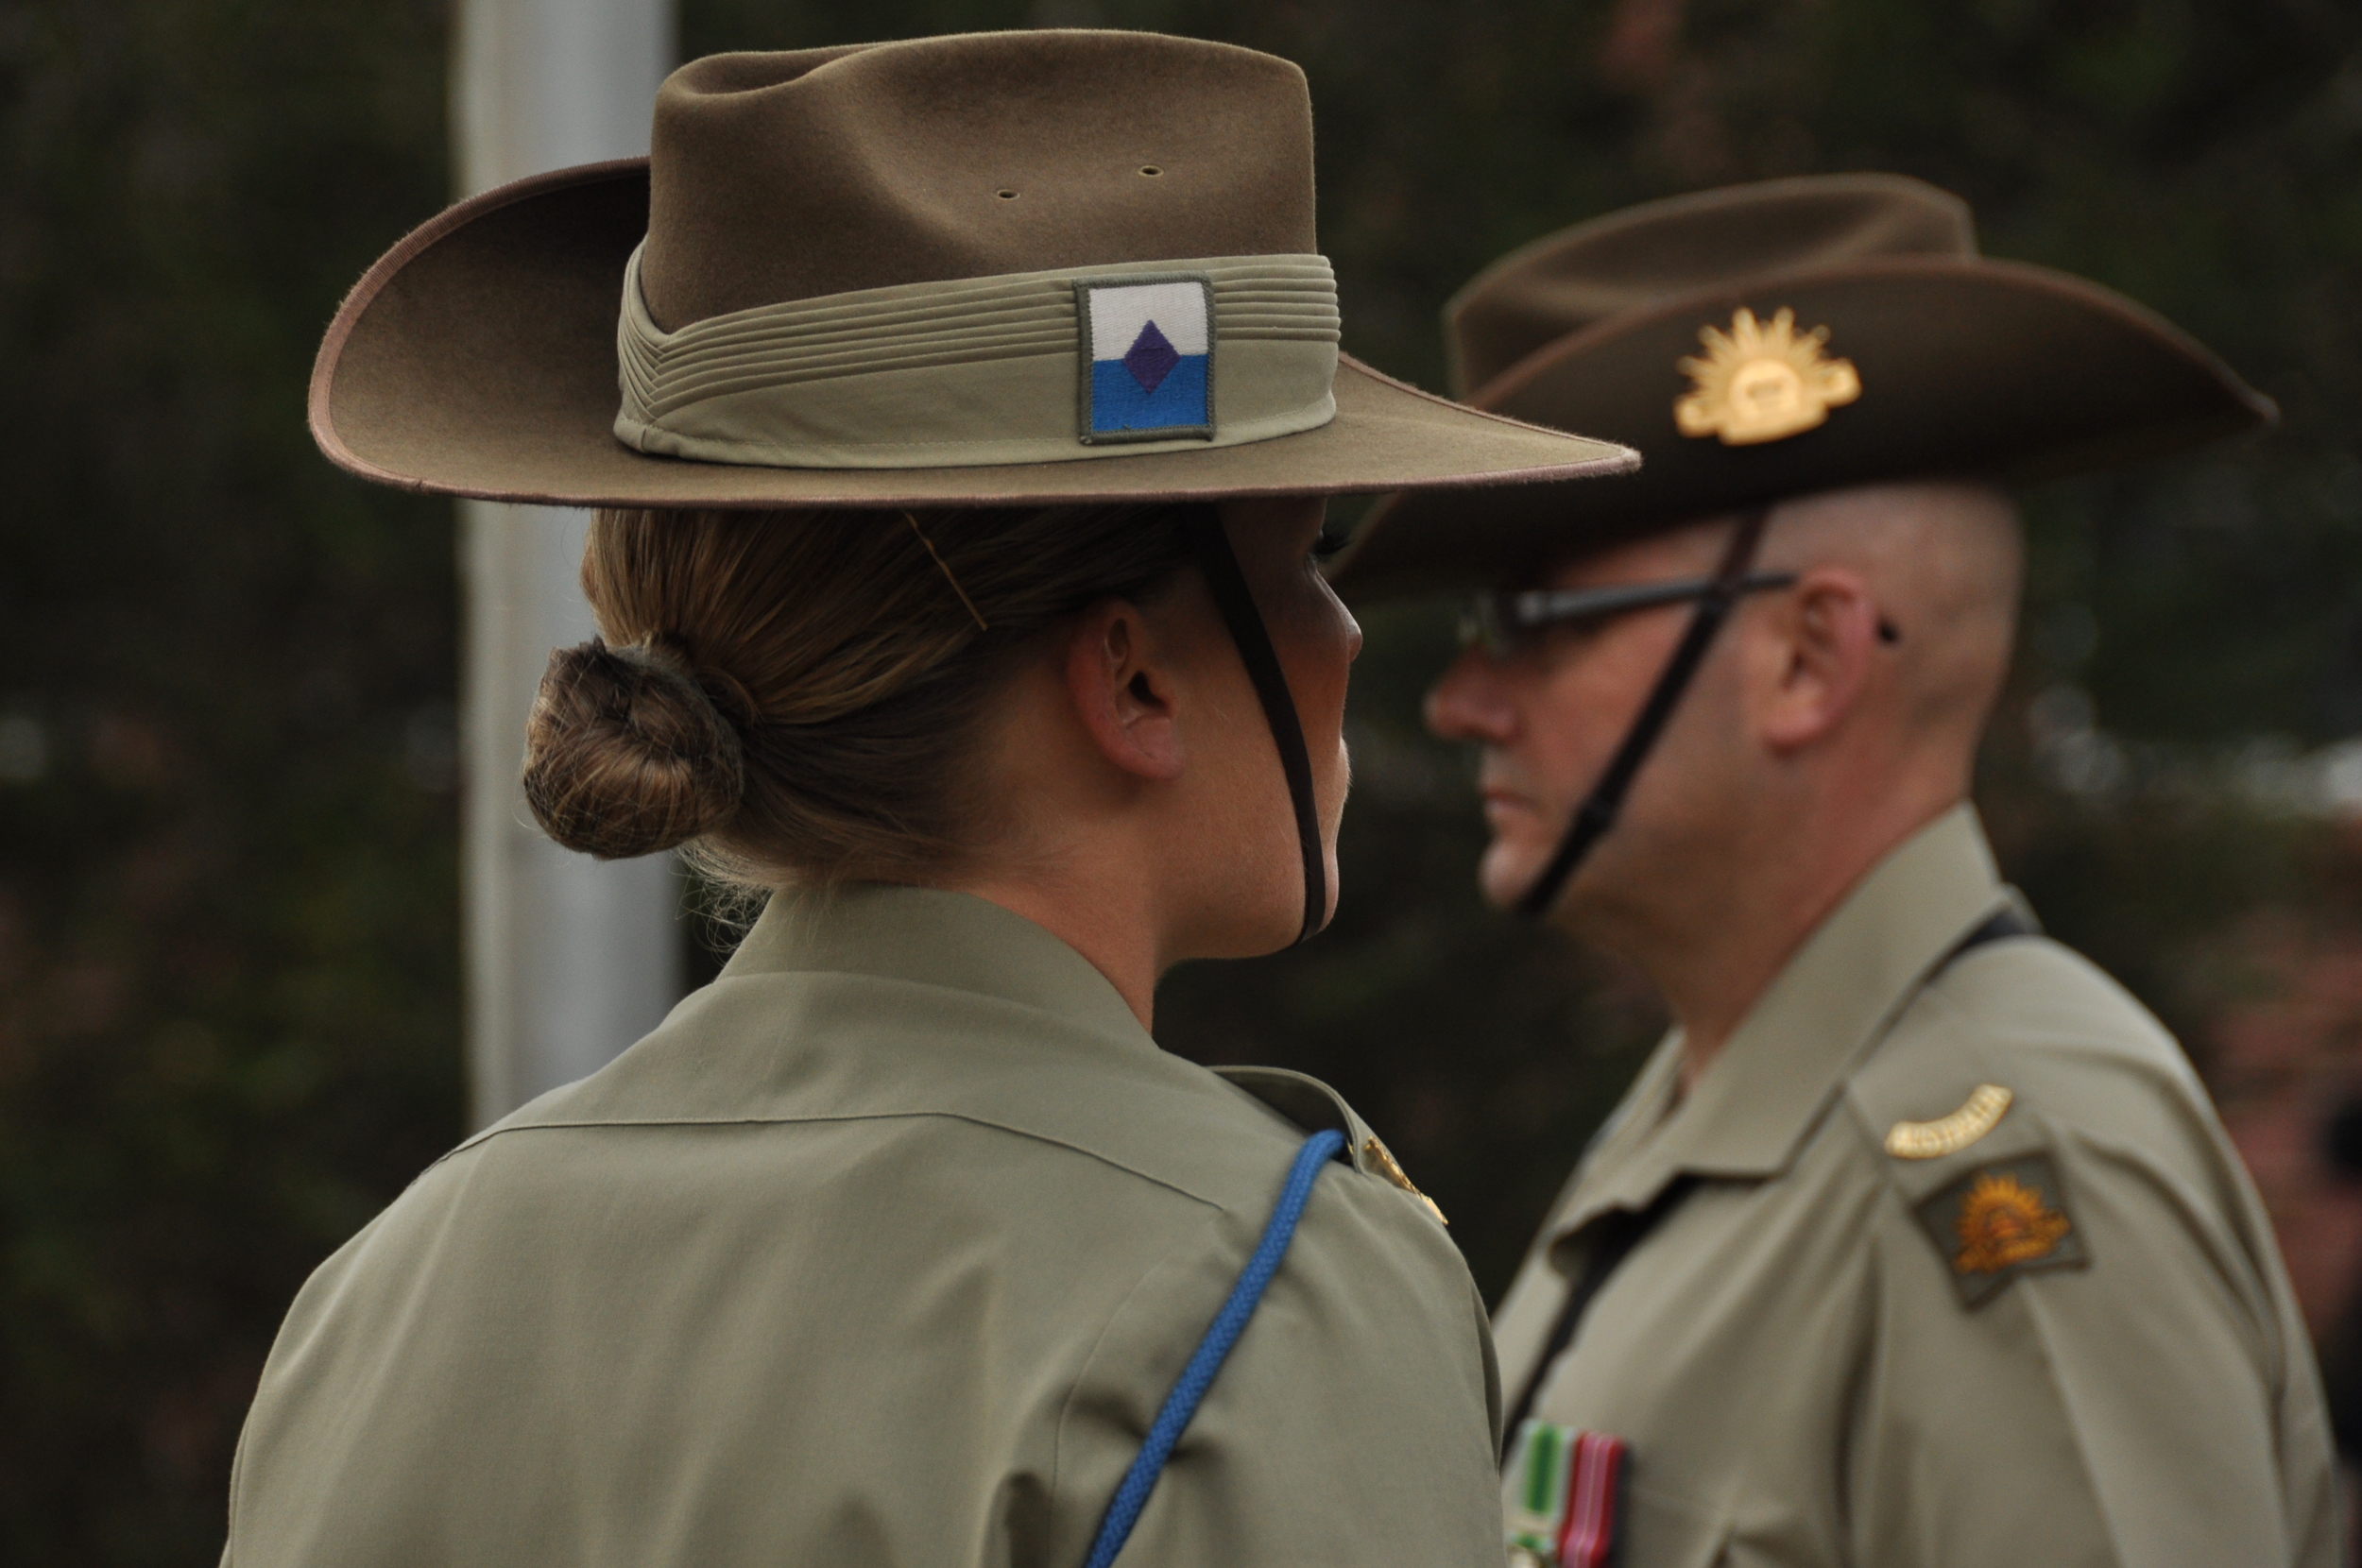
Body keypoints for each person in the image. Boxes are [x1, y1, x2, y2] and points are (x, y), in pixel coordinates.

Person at [220, 31, 1634, 1568]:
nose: (1348, 632)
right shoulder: (1243, 1299)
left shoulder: (394, 1292)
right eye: (1302, 556)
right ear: (1133, 680)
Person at [1331, 174, 2339, 1568]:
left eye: (1532, 621)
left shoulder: (2010, 1173)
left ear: (1805, 659)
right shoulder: (1718, 1116)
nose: (1463, 702)